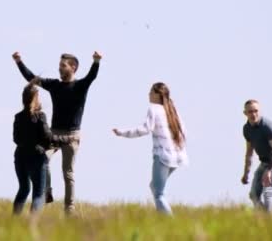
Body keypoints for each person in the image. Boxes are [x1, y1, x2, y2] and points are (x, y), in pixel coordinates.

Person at [13, 51, 101, 214]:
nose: (59, 68)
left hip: (72, 135)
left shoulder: (80, 86)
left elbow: (91, 76)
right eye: (59, 65)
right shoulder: (55, 85)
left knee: (68, 173)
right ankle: (46, 192)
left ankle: (70, 209)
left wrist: (96, 61)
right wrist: (19, 62)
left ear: (73, 67)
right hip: (53, 134)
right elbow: (31, 78)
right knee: (42, 159)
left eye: (63, 65)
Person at [112, 82, 187, 215]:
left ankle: (171, 222)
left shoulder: (154, 108)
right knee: (154, 186)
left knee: (159, 194)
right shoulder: (173, 109)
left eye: (151, 92)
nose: (148, 94)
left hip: (163, 156)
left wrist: (122, 133)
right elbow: (183, 133)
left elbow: (145, 129)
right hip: (177, 157)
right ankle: (162, 217)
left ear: (157, 95)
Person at [12, 81, 75, 214]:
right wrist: (67, 139)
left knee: (23, 190)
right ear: (35, 98)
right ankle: (32, 223)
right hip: (37, 158)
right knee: (39, 194)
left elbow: (16, 139)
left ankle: (14, 221)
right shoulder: (40, 116)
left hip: (20, 158)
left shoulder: (18, 117)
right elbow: (49, 138)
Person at [241, 99, 272, 213]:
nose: (253, 114)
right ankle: (264, 218)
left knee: (267, 191)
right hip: (265, 162)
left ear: (260, 111)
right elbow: (249, 152)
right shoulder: (247, 129)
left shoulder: (268, 127)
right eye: (250, 112)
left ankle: (270, 220)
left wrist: (268, 171)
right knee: (253, 194)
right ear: (245, 113)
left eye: (256, 111)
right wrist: (246, 173)